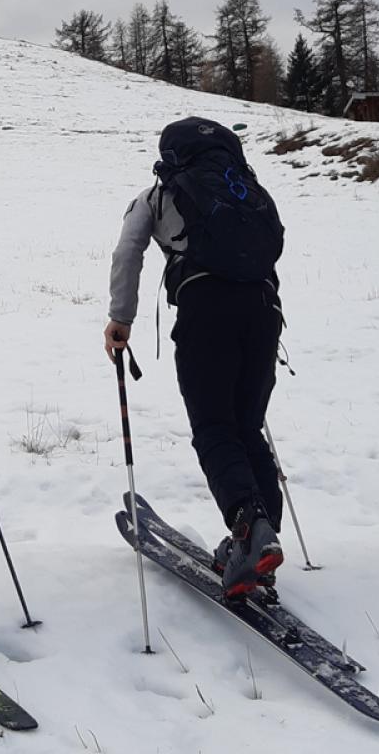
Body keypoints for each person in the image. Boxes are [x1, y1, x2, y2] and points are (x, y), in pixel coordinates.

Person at [104, 116, 287, 598]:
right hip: (264, 309)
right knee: (247, 427)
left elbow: (128, 252)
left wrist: (121, 319)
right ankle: (262, 542)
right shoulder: (246, 189)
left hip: (206, 308)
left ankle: (249, 528)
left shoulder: (159, 194)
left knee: (214, 428)